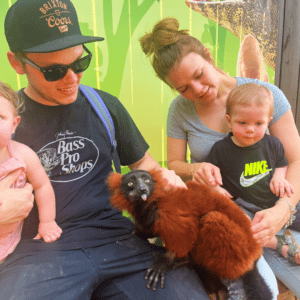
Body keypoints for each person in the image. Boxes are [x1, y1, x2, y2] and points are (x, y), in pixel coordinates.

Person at [0, 1, 211, 300]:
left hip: (120, 242)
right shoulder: (6, 122)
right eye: (55, 71)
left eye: (79, 63)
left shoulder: (104, 106)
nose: (71, 78)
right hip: (40, 252)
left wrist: (165, 176)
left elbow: (143, 163)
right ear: (17, 63)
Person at [139, 17, 300, 298]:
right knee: (262, 290)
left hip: (273, 208)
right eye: (184, 88)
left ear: (209, 57)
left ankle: (279, 239)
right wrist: (196, 167)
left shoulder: (263, 96)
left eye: (199, 75)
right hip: (228, 216)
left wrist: (282, 209)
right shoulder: (180, 111)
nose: (197, 90)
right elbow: (174, 165)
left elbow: (295, 160)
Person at [205, 83, 300, 264]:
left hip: (274, 201)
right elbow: (210, 176)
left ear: (268, 121)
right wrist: (215, 189)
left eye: (259, 123)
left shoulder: (273, 143)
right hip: (246, 206)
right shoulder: (221, 149)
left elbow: (282, 163)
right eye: (242, 123)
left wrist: (279, 177)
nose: (250, 129)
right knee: (241, 229)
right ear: (229, 120)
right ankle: (278, 243)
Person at [0, 81, 62, 264]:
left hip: (8, 243)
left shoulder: (23, 155)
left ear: (14, 124)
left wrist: (47, 221)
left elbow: (42, 185)